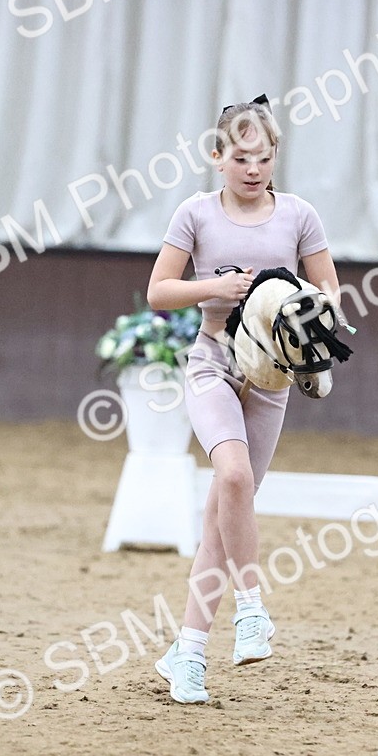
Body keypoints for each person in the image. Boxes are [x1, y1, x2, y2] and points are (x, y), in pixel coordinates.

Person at [146, 95, 346, 704]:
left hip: (272, 376)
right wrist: (219, 287)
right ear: (217, 157)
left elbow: (329, 286)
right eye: (240, 157)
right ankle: (253, 607)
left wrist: (315, 320)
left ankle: (188, 653)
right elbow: (159, 291)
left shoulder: (300, 216)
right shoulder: (196, 215)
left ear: (275, 157)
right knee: (231, 475)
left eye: (263, 157)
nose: (252, 168)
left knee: (220, 518)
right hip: (213, 361)